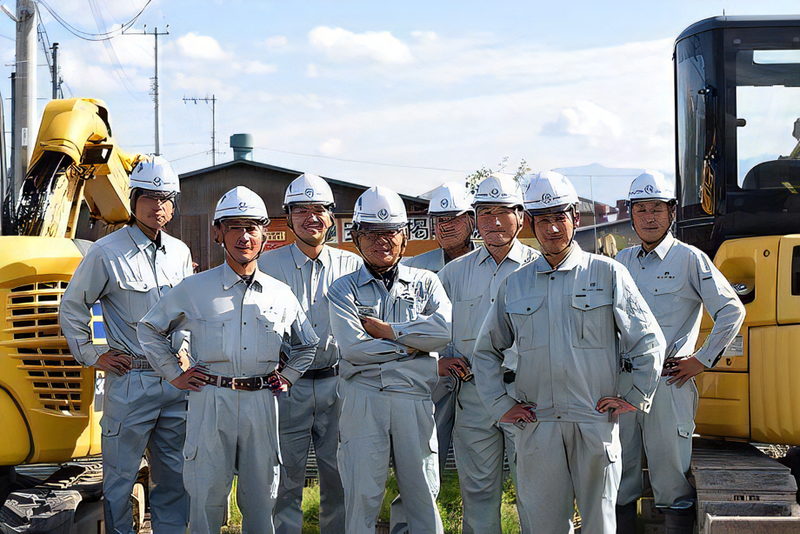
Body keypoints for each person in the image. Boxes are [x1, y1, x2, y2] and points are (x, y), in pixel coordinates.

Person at [472, 171, 665, 534]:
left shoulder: (608, 274)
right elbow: (485, 352)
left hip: (594, 420)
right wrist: (500, 404)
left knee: (599, 524)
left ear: (575, 217)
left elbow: (648, 340)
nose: (551, 229)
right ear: (530, 223)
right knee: (544, 525)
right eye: (542, 220)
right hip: (538, 423)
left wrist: (635, 396)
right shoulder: (516, 284)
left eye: (559, 217)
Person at [138, 186, 319, 534]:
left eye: (252, 227)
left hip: (261, 402)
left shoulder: (280, 293)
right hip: (210, 400)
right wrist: (174, 374)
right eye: (234, 227)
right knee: (205, 497)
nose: (244, 237)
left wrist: (288, 377)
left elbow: (307, 344)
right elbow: (149, 328)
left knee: (262, 499)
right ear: (217, 232)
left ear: (264, 234)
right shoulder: (194, 288)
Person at [59, 156, 193, 534]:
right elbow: (72, 306)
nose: (157, 206)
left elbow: (187, 312)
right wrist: (93, 354)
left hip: (175, 382)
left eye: (165, 199)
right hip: (131, 379)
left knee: (175, 477)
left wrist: (185, 347)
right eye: (148, 197)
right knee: (119, 480)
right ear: (133, 200)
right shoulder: (106, 252)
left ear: (173, 205)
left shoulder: (180, 253)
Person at [614, 171, 745, 534]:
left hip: (668, 383)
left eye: (657, 208)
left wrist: (701, 360)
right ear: (631, 214)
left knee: (671, 478)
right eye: (641, 209)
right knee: (619, 473)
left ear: (671, 212)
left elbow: (732, 310)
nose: (649, 217)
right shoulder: (619, 263)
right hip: (622, 383)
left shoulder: (690, 259)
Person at [327, 186, 451, 534]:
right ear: (356, 237)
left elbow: (444, 332)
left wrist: (390, 331)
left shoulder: (426, 282)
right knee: (362, 495)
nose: (381, 241)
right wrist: (412, 347)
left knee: (422, 493)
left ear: (405, 236)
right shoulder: (343, 289)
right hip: (363, 399)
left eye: (391, 232)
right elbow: (353, 348)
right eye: (371, 233)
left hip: (413, 398)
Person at [259, 173, 362, 534]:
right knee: (285, 476)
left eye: (319, 209)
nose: (311, 217)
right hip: (287, 385)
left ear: (332, 216)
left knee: (339, 475)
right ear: (287, 217)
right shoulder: (266, 265)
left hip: (338, 383)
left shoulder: (352, 265)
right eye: (301, 210)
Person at [436, 173, 539, 534]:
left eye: (503, 212)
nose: (494, 222)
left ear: (521, 216)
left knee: (536, 491)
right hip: (474, 396)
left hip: (526, 395)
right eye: (485, 212)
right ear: (475, 218)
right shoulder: (452, 274)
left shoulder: (540, 268)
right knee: (477, 493)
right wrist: (440, 361)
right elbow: (435, 330)